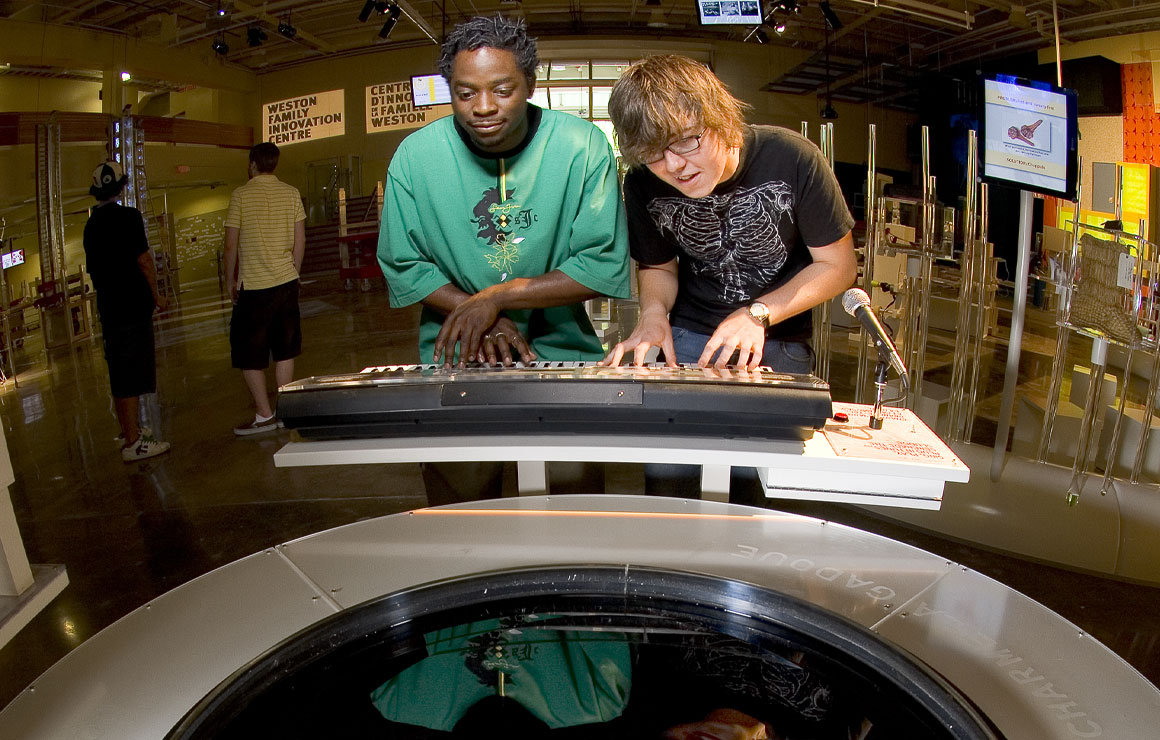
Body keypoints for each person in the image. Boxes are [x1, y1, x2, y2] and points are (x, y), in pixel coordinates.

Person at [377, 14, 630, 504]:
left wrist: (495, 298)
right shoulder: (414, 156)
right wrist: (475, 313)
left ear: (530, 84)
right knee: (463, 514)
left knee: (576, 506)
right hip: (455, 354)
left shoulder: (583, 146)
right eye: (465, 93)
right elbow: (404, 264)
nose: (483, 108)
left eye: (502, 89)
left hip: (562, 355)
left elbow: (599, 264)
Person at [601, 54, 856, 373]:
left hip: (778, 336)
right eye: (652, 152)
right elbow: (659, 267)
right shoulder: (643, 181)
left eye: (685, 141)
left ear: (721, 119)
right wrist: (653, 313)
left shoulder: (792, 157)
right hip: (691, 333)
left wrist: (758, 314)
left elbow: (838, 266)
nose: (673, 165)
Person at [83, 160, 171, 462]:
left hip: (109, 308)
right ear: (122, 187)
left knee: (119, 373)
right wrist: (157, 295)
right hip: (134, 306)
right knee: (134, 372)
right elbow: (144, 260)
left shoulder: (91, 225)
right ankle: (135, 442)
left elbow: (94, 271)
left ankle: (128, 431)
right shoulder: (130, 217)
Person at [224, 142, 306, 435]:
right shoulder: (291, 193)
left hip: (254, 287)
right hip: (285, 283)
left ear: (252, 164)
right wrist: (294, 272)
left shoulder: (240, 196)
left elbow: (231, 243)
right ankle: (284, 411)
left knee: (250, 353)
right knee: (285, 349)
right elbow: (299, 240)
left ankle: (264, 415)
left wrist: (229, 280)